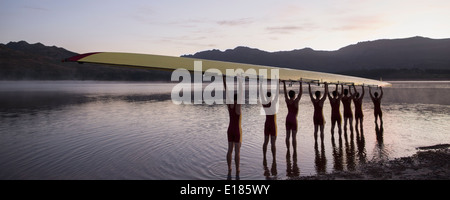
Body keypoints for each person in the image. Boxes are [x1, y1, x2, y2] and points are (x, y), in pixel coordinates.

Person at [223, 75, 243, 180]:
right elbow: (241, 91)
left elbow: (226, 92)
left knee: (229, 150)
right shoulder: (238, 106)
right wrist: (240, 80)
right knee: (237, 151)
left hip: (230, 129)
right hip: (237, 130)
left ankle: (229, 168)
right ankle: (238, 169)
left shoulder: (229, 105)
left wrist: (223, 79)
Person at [260, 79, 279, 164]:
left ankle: (264, 157)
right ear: (270, 97)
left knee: (266, 141)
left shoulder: (264, 103)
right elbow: (277, 93)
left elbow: (261, 94)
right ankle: (274, 159)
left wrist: (260, 84)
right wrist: (278, 83)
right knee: (273, 143)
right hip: (272, 125)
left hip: (266, 124)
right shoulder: (274, 103)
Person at [282, 80, 302, 152]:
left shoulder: (287, 100)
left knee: (287, 136)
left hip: (288, 118)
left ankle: (288, 150)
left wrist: (284, 83)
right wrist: (300, 83)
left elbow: (285, 93)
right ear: (294, 95)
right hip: (293, 119)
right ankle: (294, 151)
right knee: (294, 137)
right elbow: (300, 93)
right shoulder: (296, 101)